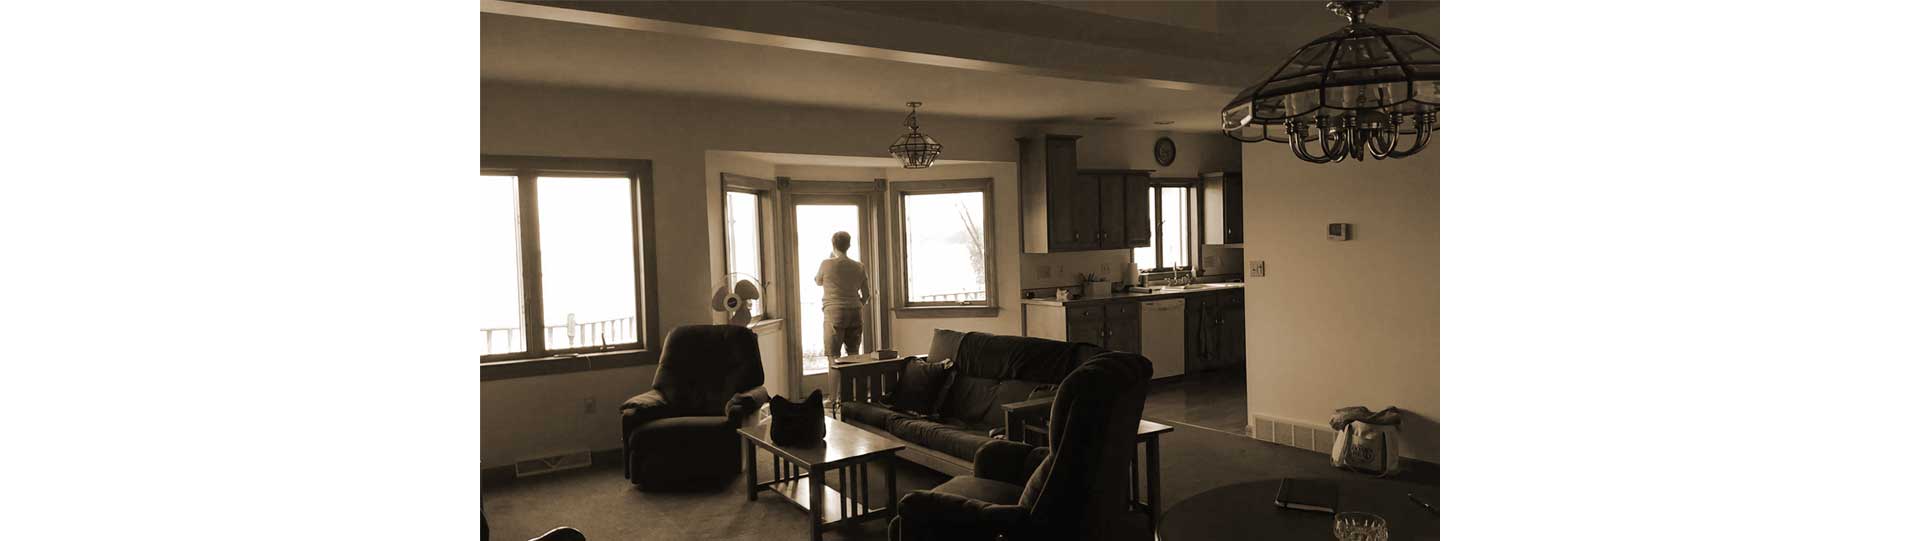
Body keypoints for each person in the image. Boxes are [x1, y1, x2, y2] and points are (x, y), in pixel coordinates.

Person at [814, 231, 868, 359]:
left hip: (834, 312)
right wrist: (856, 304)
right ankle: (853, 379)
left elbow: (818, 281)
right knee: (854, 355)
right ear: (849, 245)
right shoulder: (859, 266)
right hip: (855, 312)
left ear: (833, 245)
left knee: (833, 357)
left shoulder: (826, 264)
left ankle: (835, 380)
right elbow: (866, 294)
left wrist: (831, 258)